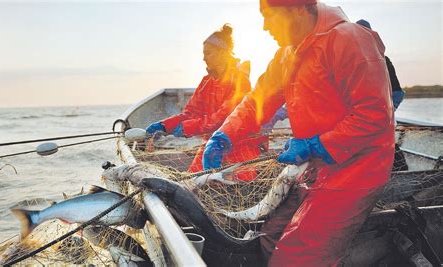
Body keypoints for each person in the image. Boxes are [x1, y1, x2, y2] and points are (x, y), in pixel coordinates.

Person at [202, 0, 395, 265]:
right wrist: (224, 135)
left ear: (298, 9)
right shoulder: (286, 54)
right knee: (269, 238)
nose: (265, 26)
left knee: (297, 257)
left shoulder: (348, 39)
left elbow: (374, 114)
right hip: (313, 167)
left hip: (356, 170)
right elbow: (258, 99)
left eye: (270, 17)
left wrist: (316, 145)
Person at [145, 24, 268, 181]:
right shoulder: (206, 82)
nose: (204, 58)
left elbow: (225, 118)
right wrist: (164, 125)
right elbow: (190, 112)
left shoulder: (239, 80)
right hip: (211, 145)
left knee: (241, 185)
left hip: (240, 144)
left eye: (208, 53)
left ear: (223, 53)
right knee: (191, 182)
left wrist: (188, 127)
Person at [356, 19, 408, 171]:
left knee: (390, 152)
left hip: (380, 119)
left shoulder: (384, 60)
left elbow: (397, 93)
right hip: (359, 121)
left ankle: (401, 176)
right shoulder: (349, 60)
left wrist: (385, 112)